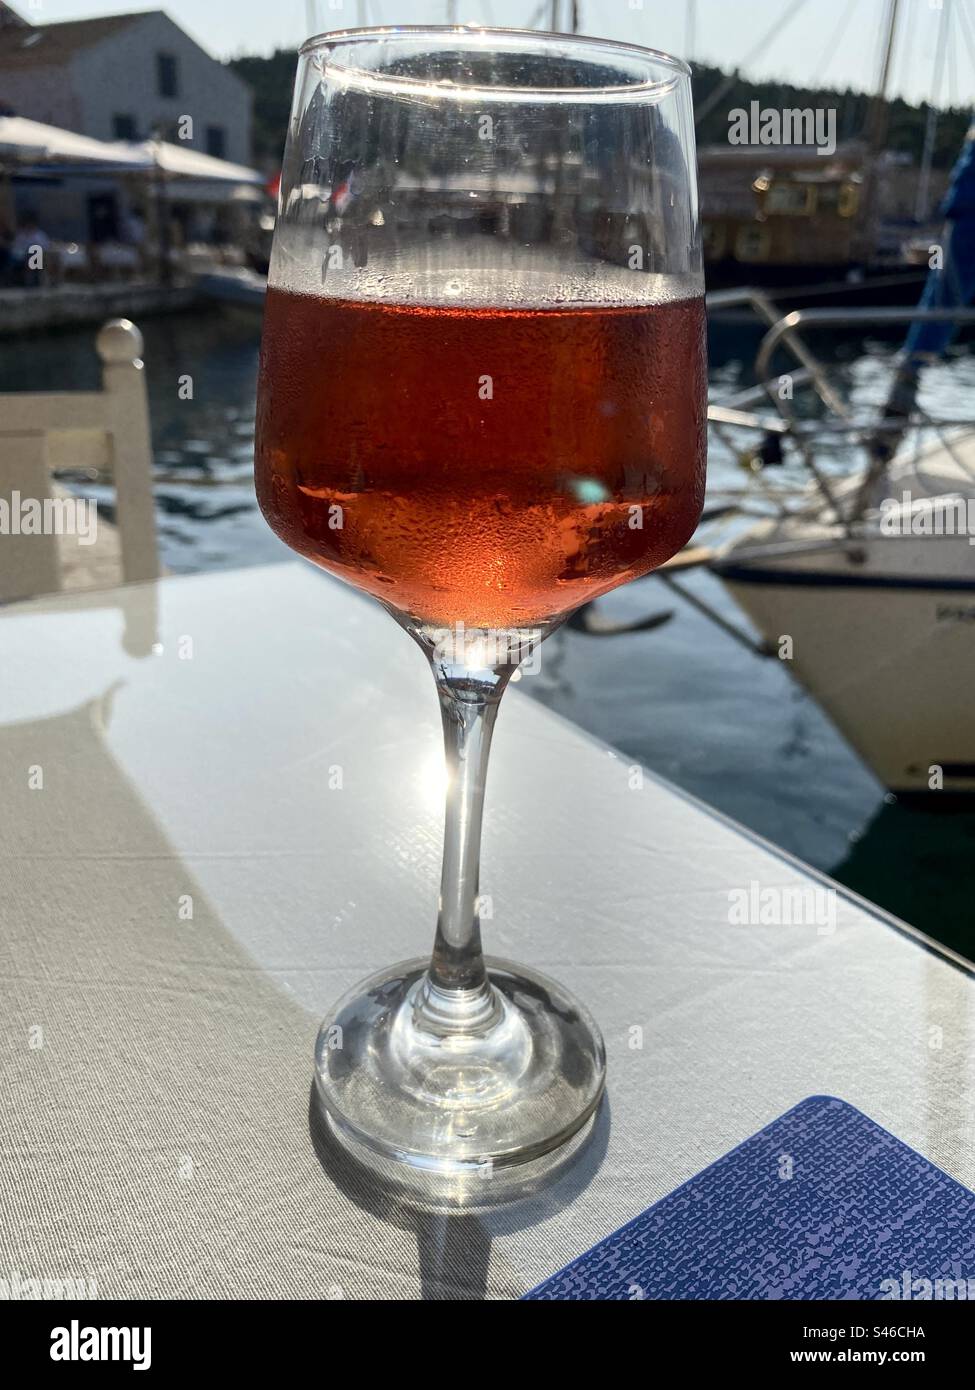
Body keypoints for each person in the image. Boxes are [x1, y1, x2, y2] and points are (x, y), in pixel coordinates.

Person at [10, 212, 51, 287]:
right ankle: (30, 280)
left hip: (39, 257)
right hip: (22, 257)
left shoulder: (40, 235)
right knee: (30, 254)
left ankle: (37, 280)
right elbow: (16, 248)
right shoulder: (21, 235)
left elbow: (46, 247)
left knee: (35, 252)